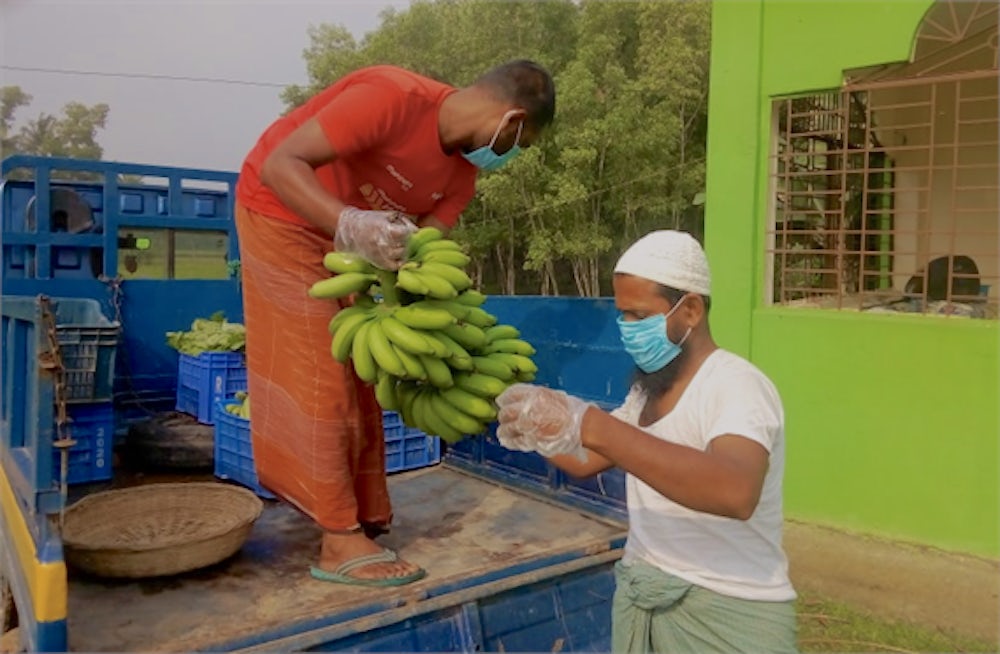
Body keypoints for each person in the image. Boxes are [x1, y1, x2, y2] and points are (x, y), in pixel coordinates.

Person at [233, 60, 556, 586]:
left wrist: (435, 332)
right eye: (522, 143)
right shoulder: (392, 97)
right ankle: (338, 540)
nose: (513, 156)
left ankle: (359, 513)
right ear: (513, 120)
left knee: (361, 370)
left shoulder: (462, 178)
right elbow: (279, 164)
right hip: (283, 213)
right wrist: (346, 221)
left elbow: (420, 256)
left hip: (355, 250)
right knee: (322, 371)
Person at [494, 230, 798, 653]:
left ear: (690, 309)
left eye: (638, 316)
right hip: (644, 588)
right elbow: (586, 458)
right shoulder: (646, 391)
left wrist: (590, 422)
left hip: (726, 606)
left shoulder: (737, 386)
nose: (627, 330)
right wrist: (540, 426)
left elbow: (736, 491)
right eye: (622, 316)